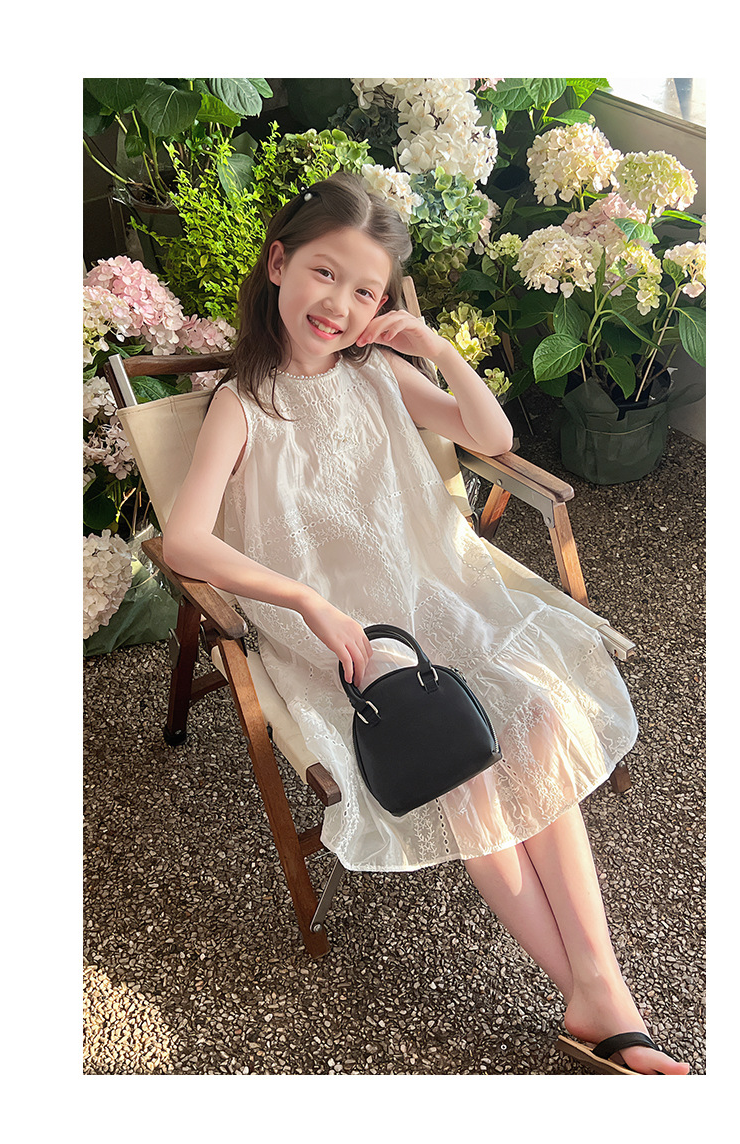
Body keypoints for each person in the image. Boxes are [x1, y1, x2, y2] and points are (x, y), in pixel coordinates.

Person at [162, 172, 690, 1075]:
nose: (339, 305)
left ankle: (597, 989)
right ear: (279, 263)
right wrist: (308, 602)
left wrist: (436, 346)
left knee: (539, 718)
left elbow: (493, 438)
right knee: (463, 765)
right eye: (324, 273)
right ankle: (598, 1002)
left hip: (435, 589)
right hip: (340, 631)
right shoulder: (243, 405)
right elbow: (184, 541)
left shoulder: (378, 371)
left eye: (365, 291)